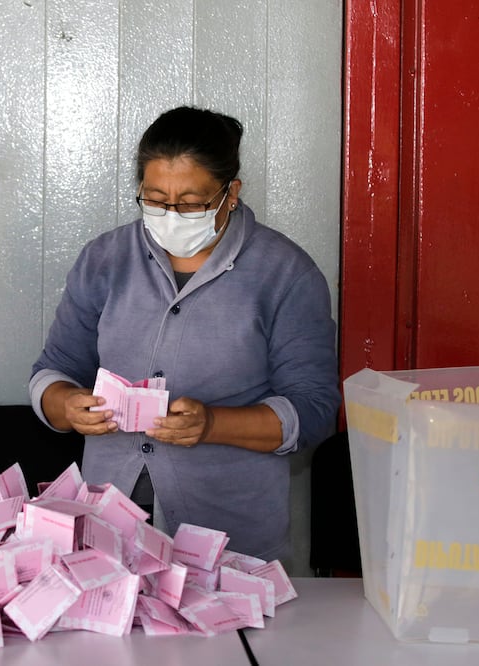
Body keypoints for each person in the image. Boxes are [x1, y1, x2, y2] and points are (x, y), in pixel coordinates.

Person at [30, 106, 340, 562]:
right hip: (107, 526)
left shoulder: (285, 273)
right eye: (155, 200)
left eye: (192, 204)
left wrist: (211, 424)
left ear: (230, 193)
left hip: (228, 533)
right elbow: (52, 371)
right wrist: (65, 405)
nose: (171, 215)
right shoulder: (105, 259)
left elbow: (313, 410)